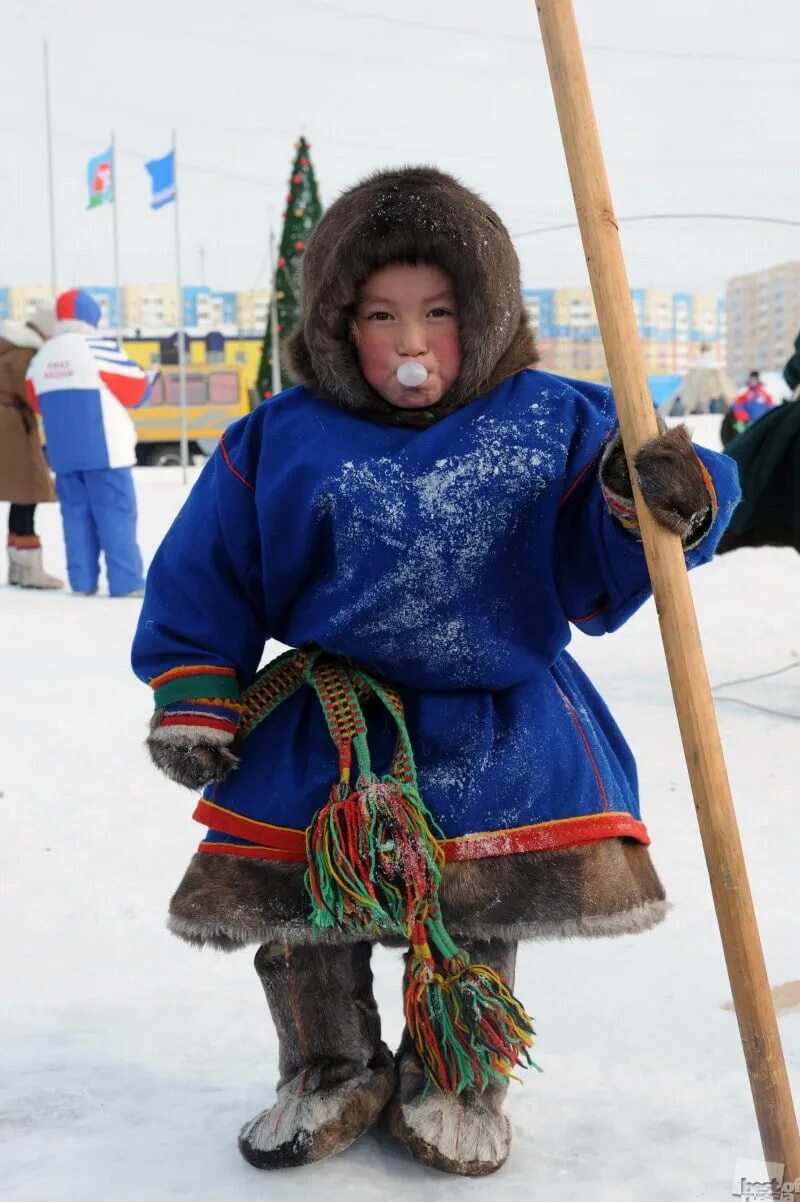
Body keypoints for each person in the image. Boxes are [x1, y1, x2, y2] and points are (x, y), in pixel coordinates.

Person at [131, 168, 740, 1178]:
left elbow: (632, 514)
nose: (410, 344)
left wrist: (665, 491)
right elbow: (207, 567)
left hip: (496, 719)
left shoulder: (551, 421)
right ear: (335, 321)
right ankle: (327, 1065)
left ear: (486, 312)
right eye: (379, 314)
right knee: (302, 902)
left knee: (470, 908)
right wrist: (195, 692)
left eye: (439, 311)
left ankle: (455, 1076)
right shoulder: (277, 438)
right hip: (333, 717)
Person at [25, 289, 149, 597]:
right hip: (105, 450)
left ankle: (81, 581)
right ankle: (126, 581)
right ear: (91, 315)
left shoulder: (42, 357)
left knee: (75, 518)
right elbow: (136, 389)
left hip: (63, 454)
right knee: (115, 515)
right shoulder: (96, 348)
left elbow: (35, 401)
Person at [0, 302, 63, 588]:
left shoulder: (7, 344)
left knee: (18, 494)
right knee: (26, 492)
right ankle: (29, 570)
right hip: (12, 425)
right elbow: (30, 393)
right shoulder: (28, 353)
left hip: (8, 422)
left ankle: (17, 566)